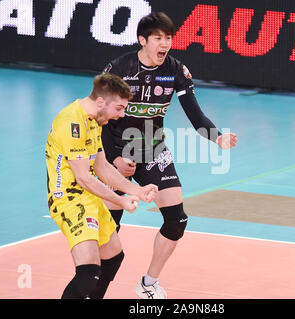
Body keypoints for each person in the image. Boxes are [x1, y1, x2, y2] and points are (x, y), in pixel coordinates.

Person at [101, 12, 238, 299]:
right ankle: (95, 288)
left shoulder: (175, 70)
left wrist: (218, 137)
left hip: (152, 149)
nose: (165, 44)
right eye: (158, 39)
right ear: (143, 40)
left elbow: (195, 115)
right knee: (109, 227)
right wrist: (114, 158)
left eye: (169, 38)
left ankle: (148, 283)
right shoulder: (119, 67)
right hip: (115, 150)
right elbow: (99, 119)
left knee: (177, 221)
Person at [45, 73, 158, 299]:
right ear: (100, 102)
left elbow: (103, 167)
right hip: (69, 199)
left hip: (88, 196)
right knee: (88, 273)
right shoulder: (72, 122)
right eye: (119, 108)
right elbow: (83, 178)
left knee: (113, 257)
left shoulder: (94, 121)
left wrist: (136, 190)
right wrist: (121, 200)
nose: (121, 114)